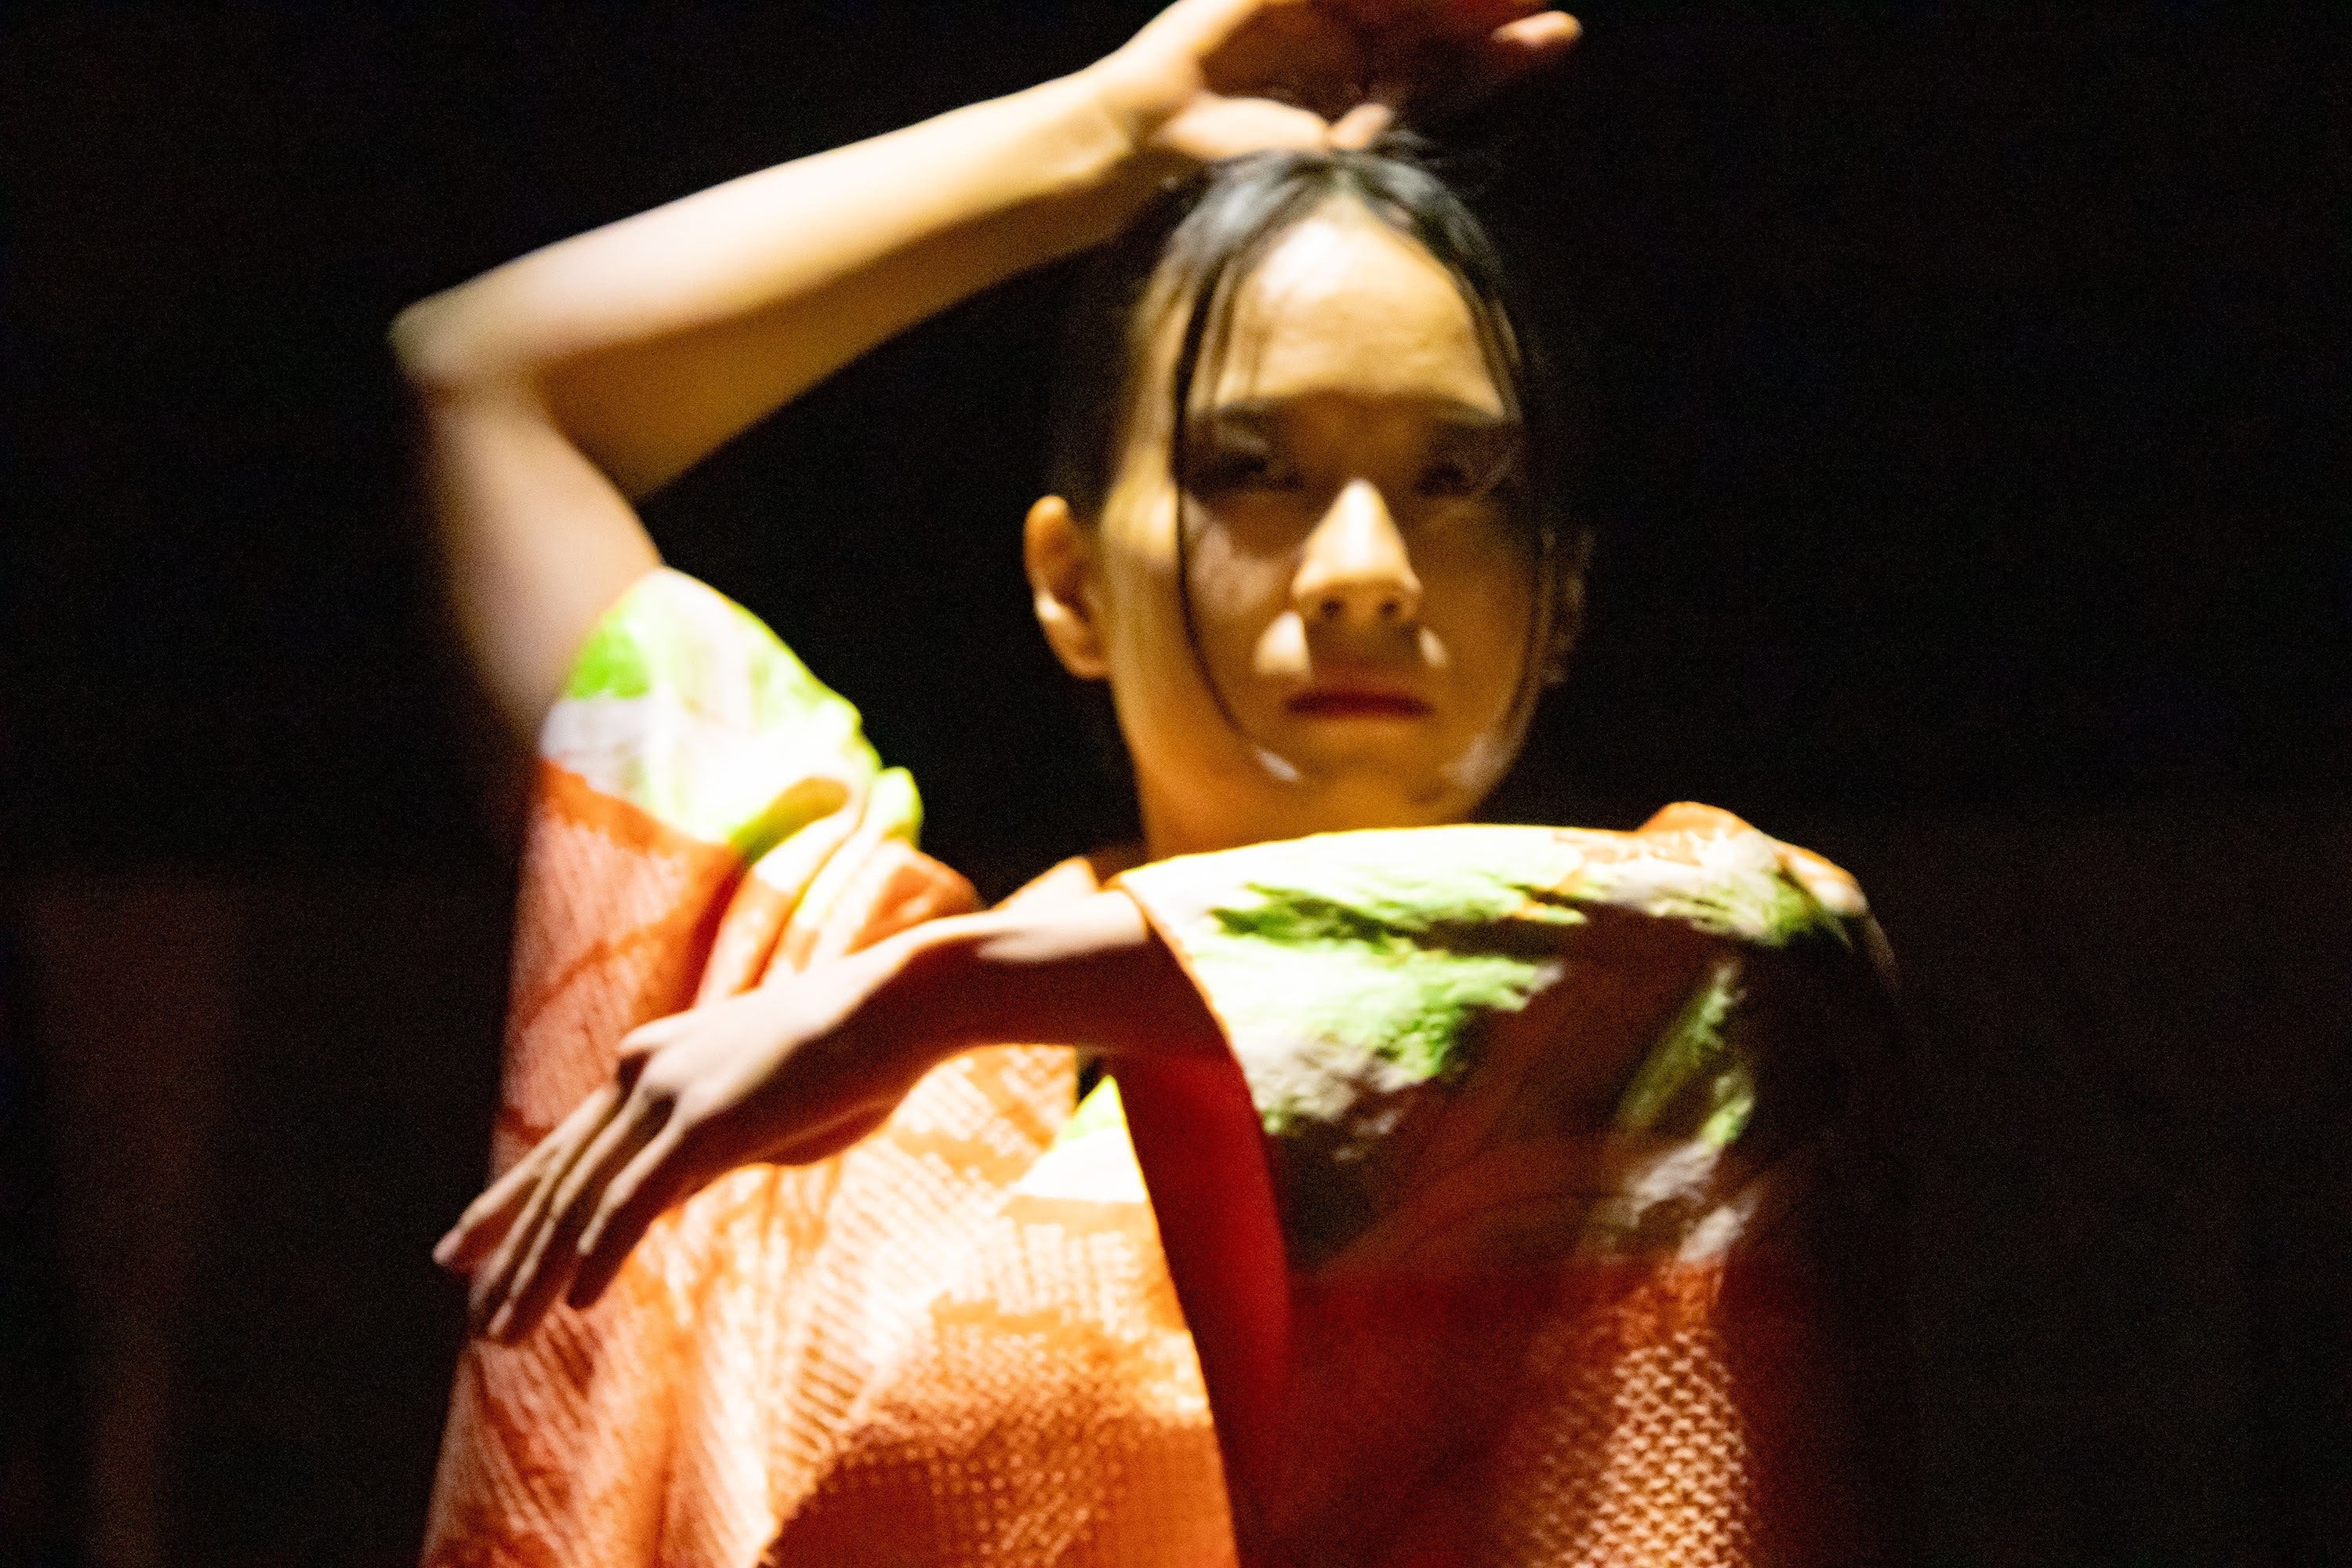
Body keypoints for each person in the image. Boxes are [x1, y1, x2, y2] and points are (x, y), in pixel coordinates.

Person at [397, 2, 1911, 1563]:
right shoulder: (817, 1021)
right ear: (1068, 582)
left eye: (1456, 479)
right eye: (1251, 468)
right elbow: (489, 385)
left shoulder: (1679, 1015)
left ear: (1563, 597)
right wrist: (1097, 141)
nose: (1364, 567)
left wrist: (942, 998)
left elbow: (1751, 942)